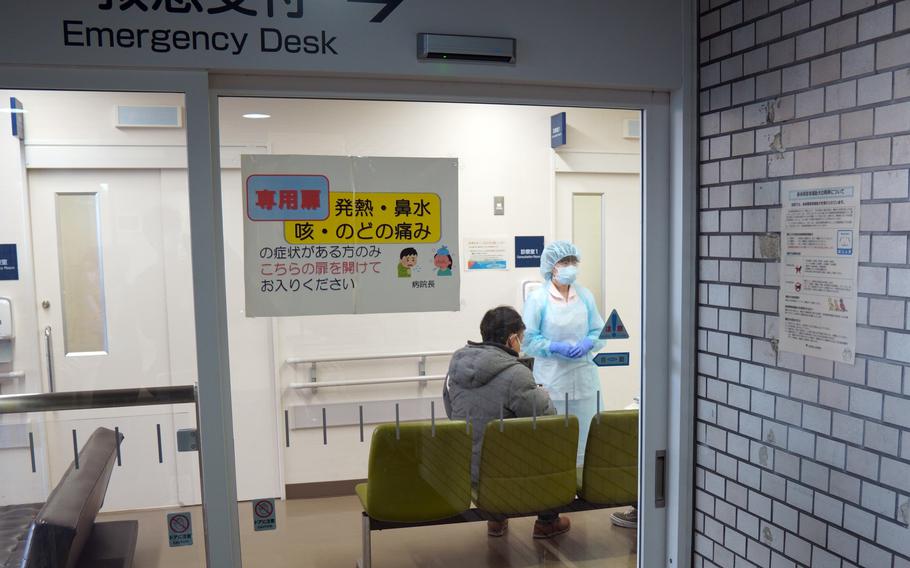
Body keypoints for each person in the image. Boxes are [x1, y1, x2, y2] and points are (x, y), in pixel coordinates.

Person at [443, 306, 571, 539]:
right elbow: (546, 417)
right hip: (506, 474)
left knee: (493, 432)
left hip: (466, 467)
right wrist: (542, 394)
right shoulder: (516, 373)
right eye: (521, 338)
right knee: (550, 442)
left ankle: (496, 519)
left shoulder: (456, 364)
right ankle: (547, 521)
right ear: (512, 339)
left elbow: (451, 410)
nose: (521, 344)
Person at [521, 240, 606, 466]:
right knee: (555, 442)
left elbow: (599, 330)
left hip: (585, 380)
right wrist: (553, 346)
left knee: (588, 440)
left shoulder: (585, 295)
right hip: (552, 380)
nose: (570, 266)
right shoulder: (538, 299)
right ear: (551, 266)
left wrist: (590, 342)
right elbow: (528, 340)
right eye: (563, 261)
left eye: (572, 261)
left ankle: (587, 493)